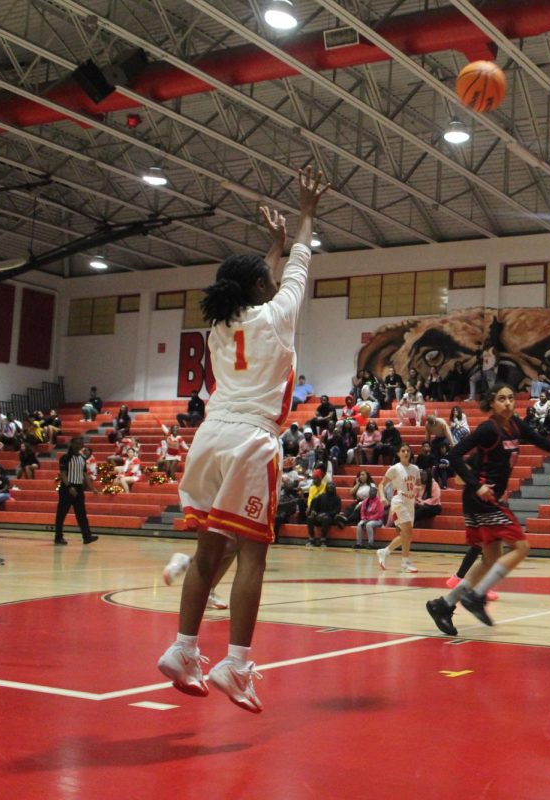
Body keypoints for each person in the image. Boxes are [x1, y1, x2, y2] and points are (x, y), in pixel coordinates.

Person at [156, 166, 328, 714]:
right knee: (253, 556)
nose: (274, 282)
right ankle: (237, 662)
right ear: (259, 287)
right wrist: (304, 217)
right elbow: (301, 262)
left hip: (209, 437)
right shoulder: (278, 314)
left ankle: (184, 649)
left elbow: (258, 277)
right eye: (266, 277)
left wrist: (269, 248)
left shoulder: (220, 326)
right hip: (252, 439)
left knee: (212, 553)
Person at [425, 383, 550, 636]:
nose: (507, 402)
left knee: (491, 558)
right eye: (501, 398)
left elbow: (545, 444)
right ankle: (477, 596)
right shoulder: (488, 429)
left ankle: (444, 605)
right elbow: (454, 455)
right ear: (492, 403)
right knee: (522, 547)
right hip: (482, 496)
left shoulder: (516, 425)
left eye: (510, 398)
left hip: (489, 497)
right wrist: (476, 485)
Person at [376, 443, 421, 573]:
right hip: (399, 501)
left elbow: (418, 485)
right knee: (407, 532)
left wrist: (416, 491)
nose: (406, 453)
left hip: (410, 502)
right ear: (398, 453)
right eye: (403, 451)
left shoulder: (415, 469)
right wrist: (383, 497)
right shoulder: (395, 468)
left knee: (407, 534)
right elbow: (381, 484)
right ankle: (405, 562)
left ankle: (384, 551)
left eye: (408, 450)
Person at [52, 437, 100, 545]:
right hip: (66, 488)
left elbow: (84, 474)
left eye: (81, 443)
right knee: (61, 514)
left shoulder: (82, 458)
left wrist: (92, 488)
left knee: (81, 514)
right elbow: (63, 474)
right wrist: (69, 487)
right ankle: (58, 537)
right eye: (77, 443)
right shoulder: (65, 458)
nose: (80, 445)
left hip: (79, 488)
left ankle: (87, 536)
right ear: (72, 444)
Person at [306, 483, 341, 547]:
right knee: (310, 518)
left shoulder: (337, 499)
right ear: (326, 488)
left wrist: (326, 514)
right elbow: (315, 508)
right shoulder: (321, 496)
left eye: (332, 486)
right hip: (319, 516)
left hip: (330, 517)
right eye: (329, 486)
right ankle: (311, 538)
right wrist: (314, 511)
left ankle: (323, 539)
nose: (330, 487)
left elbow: (337, 511)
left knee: (326, 519)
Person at [355, 485, 385, 550]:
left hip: (378, 520)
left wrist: (369, 519)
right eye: (370, 492)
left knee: (369, 525)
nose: (372, 493)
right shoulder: (366, 501)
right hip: (367, 519)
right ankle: (359, 543)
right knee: (359, 524)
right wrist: (364, 518)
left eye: (373, 492)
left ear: (376, 493)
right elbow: (362, 511)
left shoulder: (379, 501)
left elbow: (379, 514)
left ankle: (370, 543)